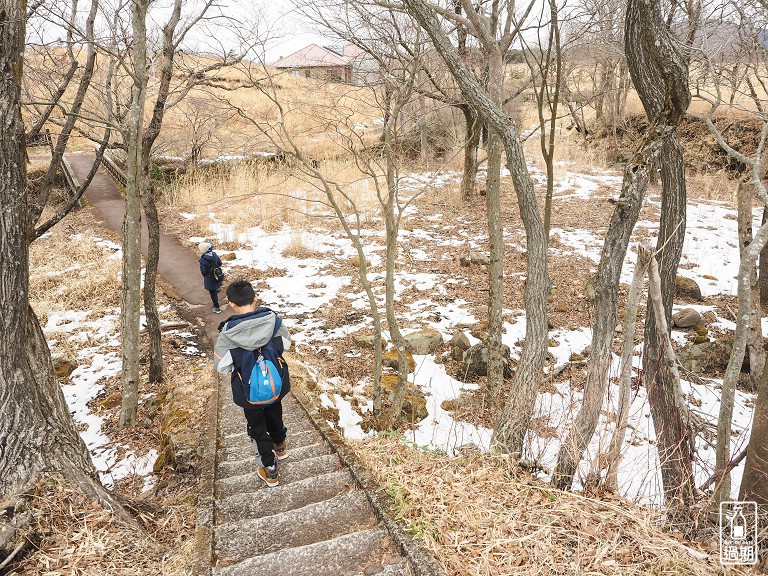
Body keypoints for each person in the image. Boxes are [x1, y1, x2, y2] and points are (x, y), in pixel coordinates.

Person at [213, 280, 291, 487]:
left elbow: (221, 366)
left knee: (256, 426)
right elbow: (286, 344)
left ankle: (270, 468)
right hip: (275, 382)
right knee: (275, 410)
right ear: (255, 297)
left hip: (248, 389)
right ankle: (280, 445)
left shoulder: (228, 332)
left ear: (231, 304)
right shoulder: (273, 321)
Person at [198, 241, 223, 313]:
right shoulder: (214, 254)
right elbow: (220, 263)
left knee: (213, 293)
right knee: (217, 284)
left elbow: (203, 271)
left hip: (209, 278)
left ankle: (217, 307)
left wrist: (206, 274)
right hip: (217, 274)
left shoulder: (203, 260)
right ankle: (217, 288)